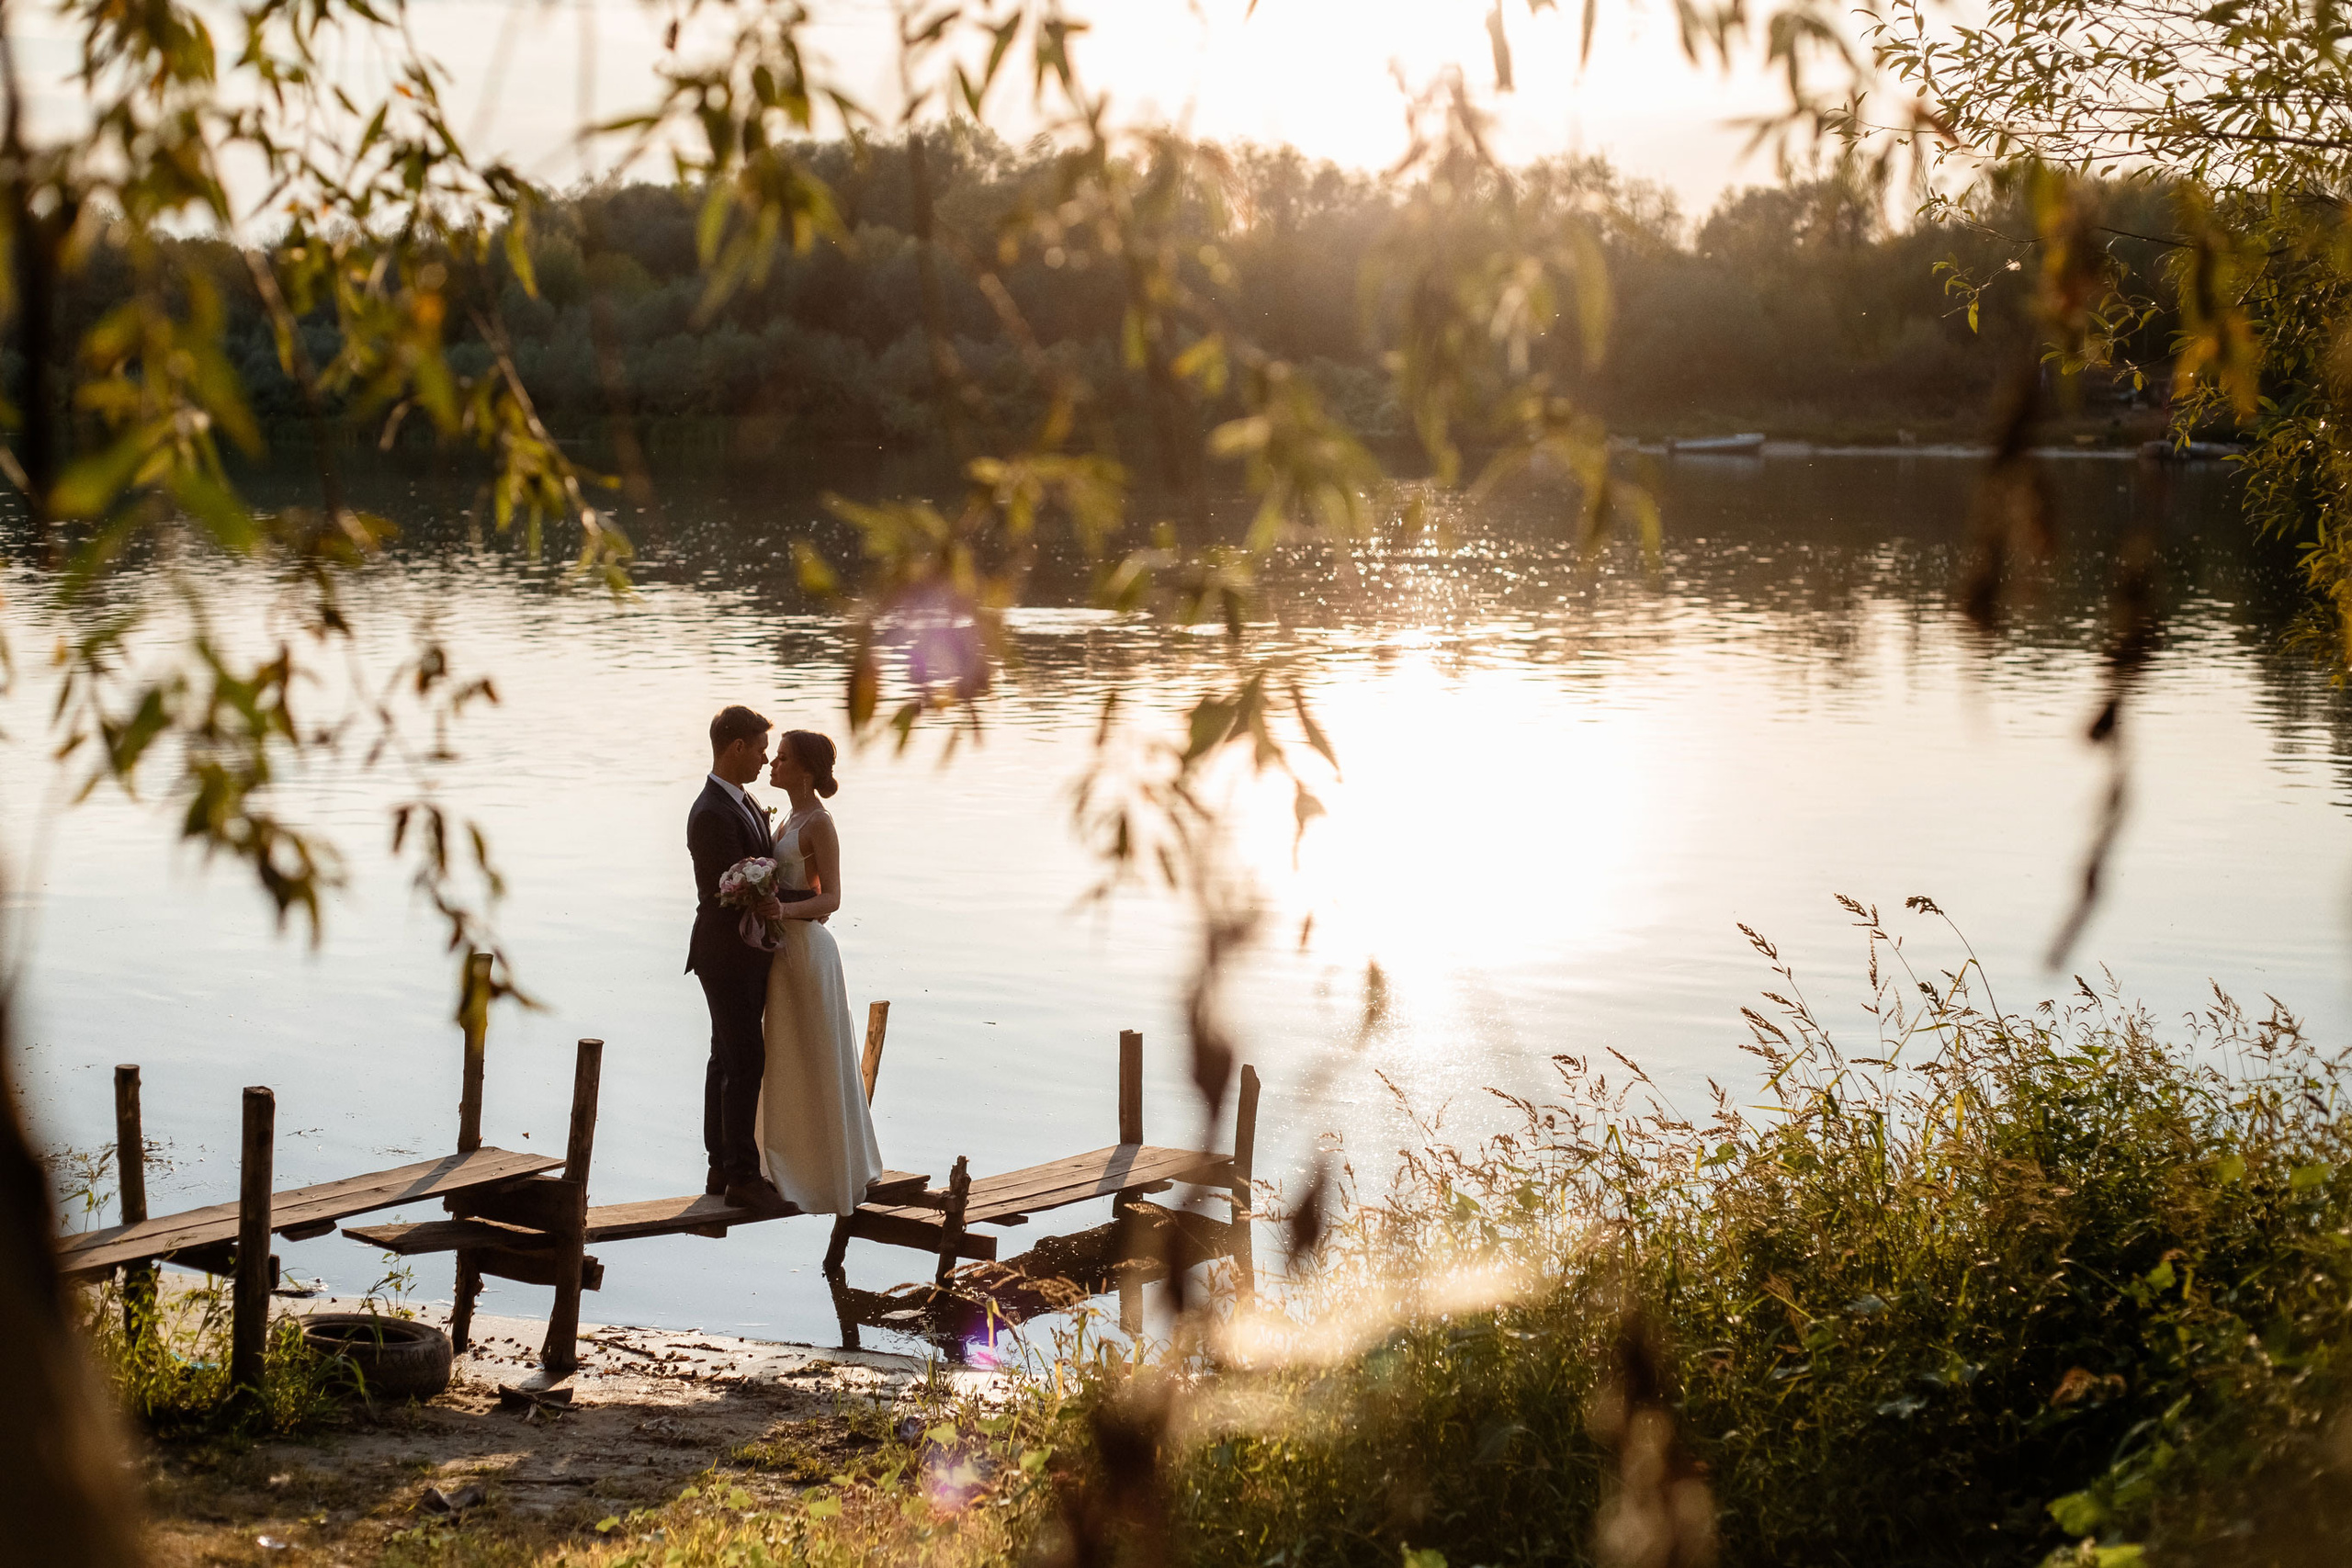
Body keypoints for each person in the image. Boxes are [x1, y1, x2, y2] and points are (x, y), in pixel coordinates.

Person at [752, 728, 885, 1214]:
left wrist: (780, 913)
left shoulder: (820, 824)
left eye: (781, 758)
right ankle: (785, 1163)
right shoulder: (788, 816)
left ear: (804, 770)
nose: (772, 764)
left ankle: (829, 1169)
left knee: (819, 1054)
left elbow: (832, 898)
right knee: (784, 1054)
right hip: (783, 952)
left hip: (809, 950)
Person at [684, 705, 809, 1209]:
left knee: (725, 1056)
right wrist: (813, 906)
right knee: (745, 1059)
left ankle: (721, 1166)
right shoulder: (712, 811)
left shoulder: (744, 801)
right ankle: (740, 1175)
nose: (764, 758)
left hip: (743, 951)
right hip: (726, 951)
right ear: (736, 747)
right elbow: (737, 891)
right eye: (760, 748)